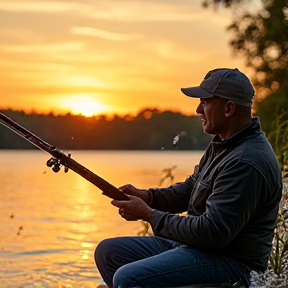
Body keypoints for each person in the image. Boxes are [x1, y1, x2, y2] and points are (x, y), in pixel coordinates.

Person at [94, 68, 282, 288]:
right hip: (196, 249)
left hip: (229, 264)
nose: (197, 110)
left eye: (205, 102)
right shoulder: (225, 143)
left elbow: (212, 232)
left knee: (127, 277)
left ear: (229, 108)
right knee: (108, 253)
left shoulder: (245, 161)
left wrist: (149, 215)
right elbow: (190, 189)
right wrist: (147, 197)